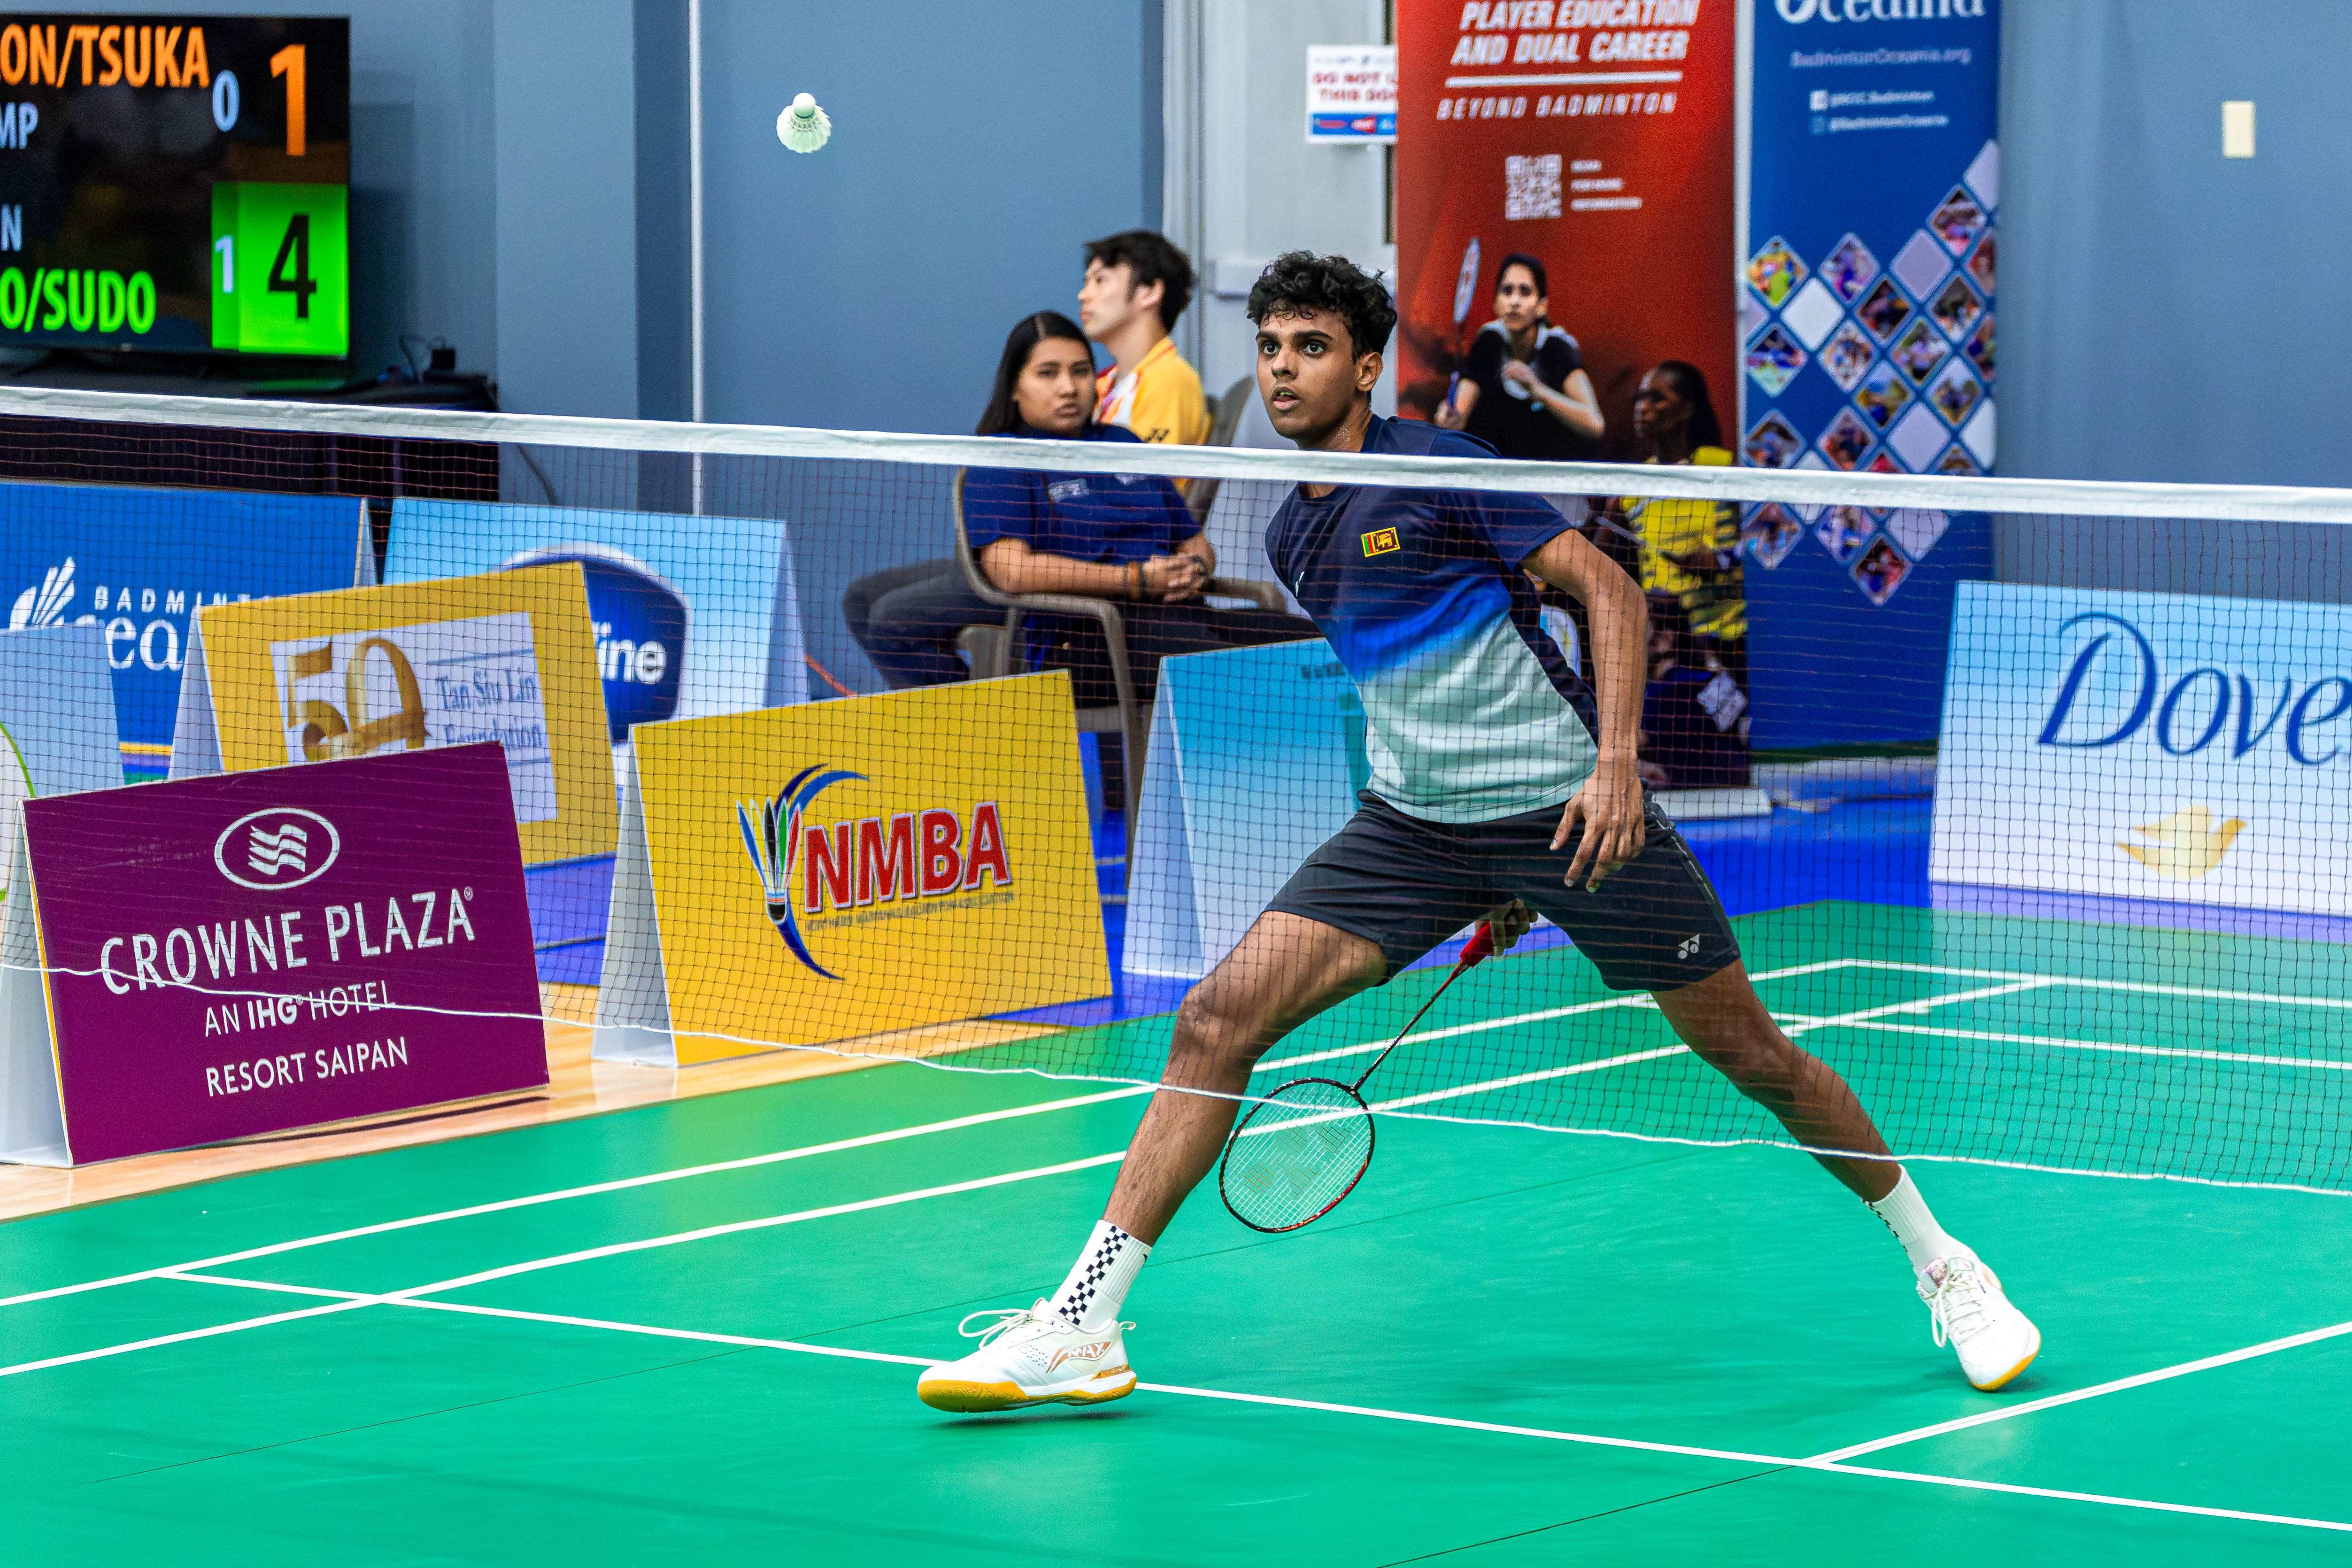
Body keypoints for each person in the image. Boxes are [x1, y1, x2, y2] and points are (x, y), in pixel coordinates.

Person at [917, 252, 2040, 1415]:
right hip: (1414, 830)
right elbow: (1405, 695)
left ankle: (1945, 1265)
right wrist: (1478, 875)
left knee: (1752, 1056)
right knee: (1211, 1020)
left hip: (1572, 817)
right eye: (1268, 348)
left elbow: (1607, 591)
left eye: (1310, 348)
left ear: (1364, 365)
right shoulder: (1291, 533)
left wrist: (1613, 766)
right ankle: (1080, 1323)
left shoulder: (1442, 469)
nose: (1284, 370)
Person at [962, 311, 1319, 800]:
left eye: (1080, 371)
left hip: (1175, 613)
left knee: (1317, 648)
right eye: (1048, 374)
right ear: (1015, 388)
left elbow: (1194, 543)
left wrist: (1188, 570)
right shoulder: (1001, 458)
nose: (1068, 387)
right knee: (1243, 676)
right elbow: (1011, 570)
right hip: (1081, 642)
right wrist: (1134, 581)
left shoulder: (1122, 444)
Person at [1611, 361, 1748, 694]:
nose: (1643, 408)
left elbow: (1766, 544)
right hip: (1666, 649)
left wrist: (1719, 560)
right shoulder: (1633, 488)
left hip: (1727, 644)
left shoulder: (1720, 467)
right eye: (1639, 398)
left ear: (1686, 409)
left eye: (1656, 399)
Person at [1432, 252, 1604, 460]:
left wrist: (1538, 390)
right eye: (1507, 291)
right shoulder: (1488, 342)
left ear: (1542, 306)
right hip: (1499, 475)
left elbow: (1594, 424)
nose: (1514, 301)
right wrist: (1449, 418)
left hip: (1552, 475)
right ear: (1496, 304)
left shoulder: (1558, 347)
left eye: (1525, 292)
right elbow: (1459, 416)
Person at [1078, 231, 1213, 455]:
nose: (1083, 295)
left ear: (1149, 292)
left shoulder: (1168, 379)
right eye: (1086, 283)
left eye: (1100, 280)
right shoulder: (1106, 383)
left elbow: (1145, 486)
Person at [1637, 592, 1748, 789]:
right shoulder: (1707, 676)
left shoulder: (1668, 693)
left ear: (1662, 641)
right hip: (1735, 781)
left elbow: (1630, 743)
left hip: (1698, 793)